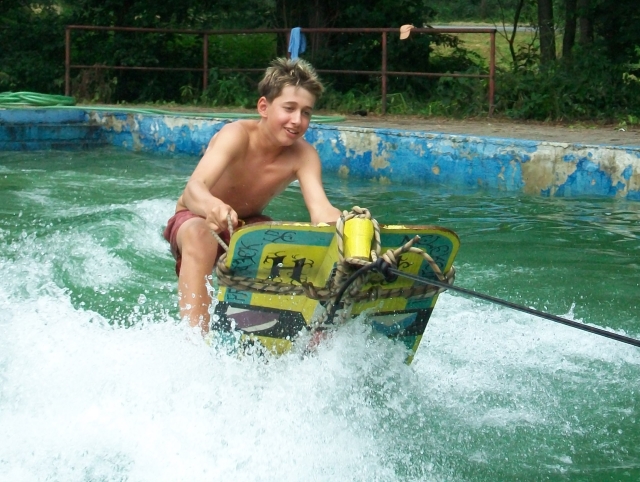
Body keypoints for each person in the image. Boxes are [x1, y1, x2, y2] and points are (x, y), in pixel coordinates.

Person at [163, 57, 342, 334]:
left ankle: (283, 336)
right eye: (289, 108)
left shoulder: (304, 155)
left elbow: (321, 212)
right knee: (200, 234)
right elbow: (193, 189)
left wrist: (350, 227)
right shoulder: (236, 135)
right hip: (197, 217)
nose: (297, 120)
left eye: (306, 112)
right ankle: (195, 342)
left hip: (247, 223)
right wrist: (213, 206)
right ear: (263, 107)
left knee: (286, 243)